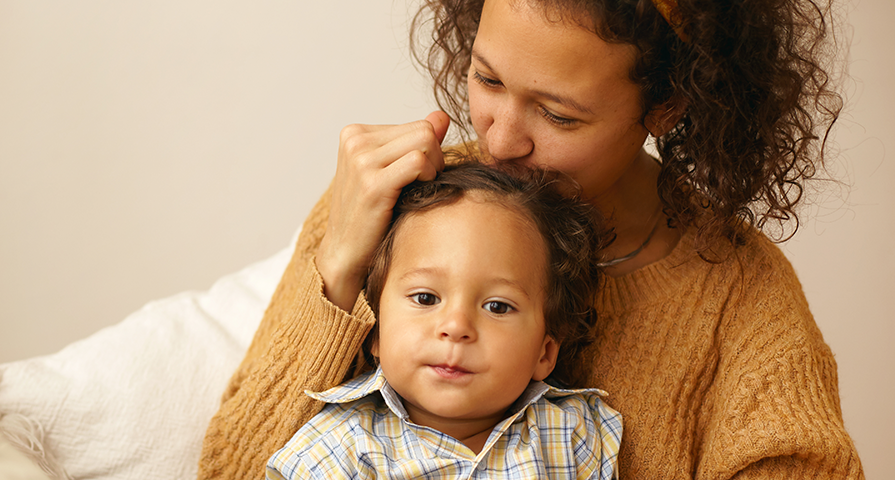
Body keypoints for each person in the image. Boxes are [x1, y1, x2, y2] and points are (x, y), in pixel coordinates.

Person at [199, 0, 863, 477]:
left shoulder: (739, 292)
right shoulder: (391, 204)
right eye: (487, 79)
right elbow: (230, 468)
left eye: (556, 114)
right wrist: (340, 267)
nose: (499, 138)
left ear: (669, 106)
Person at [265, 163, 623, 479]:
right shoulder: (340, 448)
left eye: (497, 307)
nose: (456, 327)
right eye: (426, 298)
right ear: (374, 330)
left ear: (544, 352)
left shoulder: (573, 432)